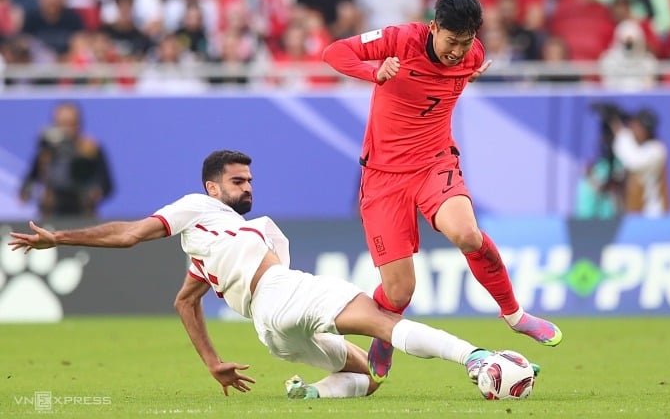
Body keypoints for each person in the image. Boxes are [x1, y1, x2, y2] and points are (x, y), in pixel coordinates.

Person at [8, 150, 539, 399]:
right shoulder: (196, 206)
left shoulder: (224, 243)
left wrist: (214, 362)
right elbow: (128, 233)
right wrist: (61, 236)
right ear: (211, 187)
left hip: (270, 330)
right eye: (237, 180)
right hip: (280, 293)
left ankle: (308, 394)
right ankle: (479, 359)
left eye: (250, 179)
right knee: (382, 321)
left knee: (371, 379)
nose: (248, 187)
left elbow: (185, 302)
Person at [322, 0, 562, 383]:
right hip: (383, 176)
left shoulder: (471, 53)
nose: (457, 52)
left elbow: (449, 78)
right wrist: (374, 72)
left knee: (467, 233)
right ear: (433, 27)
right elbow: (334, 52)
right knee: (398, 292)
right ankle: (385, 332)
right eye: (451, 41)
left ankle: (515, 316)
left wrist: (467, 66)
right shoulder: (400, 39)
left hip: (435, 163)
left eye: (465, 43)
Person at [19, 102, 114, 217]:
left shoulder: (91, 149)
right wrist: (28, 192)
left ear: (78, 124)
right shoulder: (47, 151)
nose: (66, 129)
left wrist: (95, 193)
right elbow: (30, 180)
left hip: (82, 212)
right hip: (52, 212)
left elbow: (106, 184)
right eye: (61, 124)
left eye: (70, 124)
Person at [609, 109, 670, 216]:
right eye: (635, 126)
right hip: (631, 214)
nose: (636, 130)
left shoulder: (657, 150)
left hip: (653, 215)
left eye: (642, 128)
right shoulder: (631, 146)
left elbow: (634, 161)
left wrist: (620, 132)